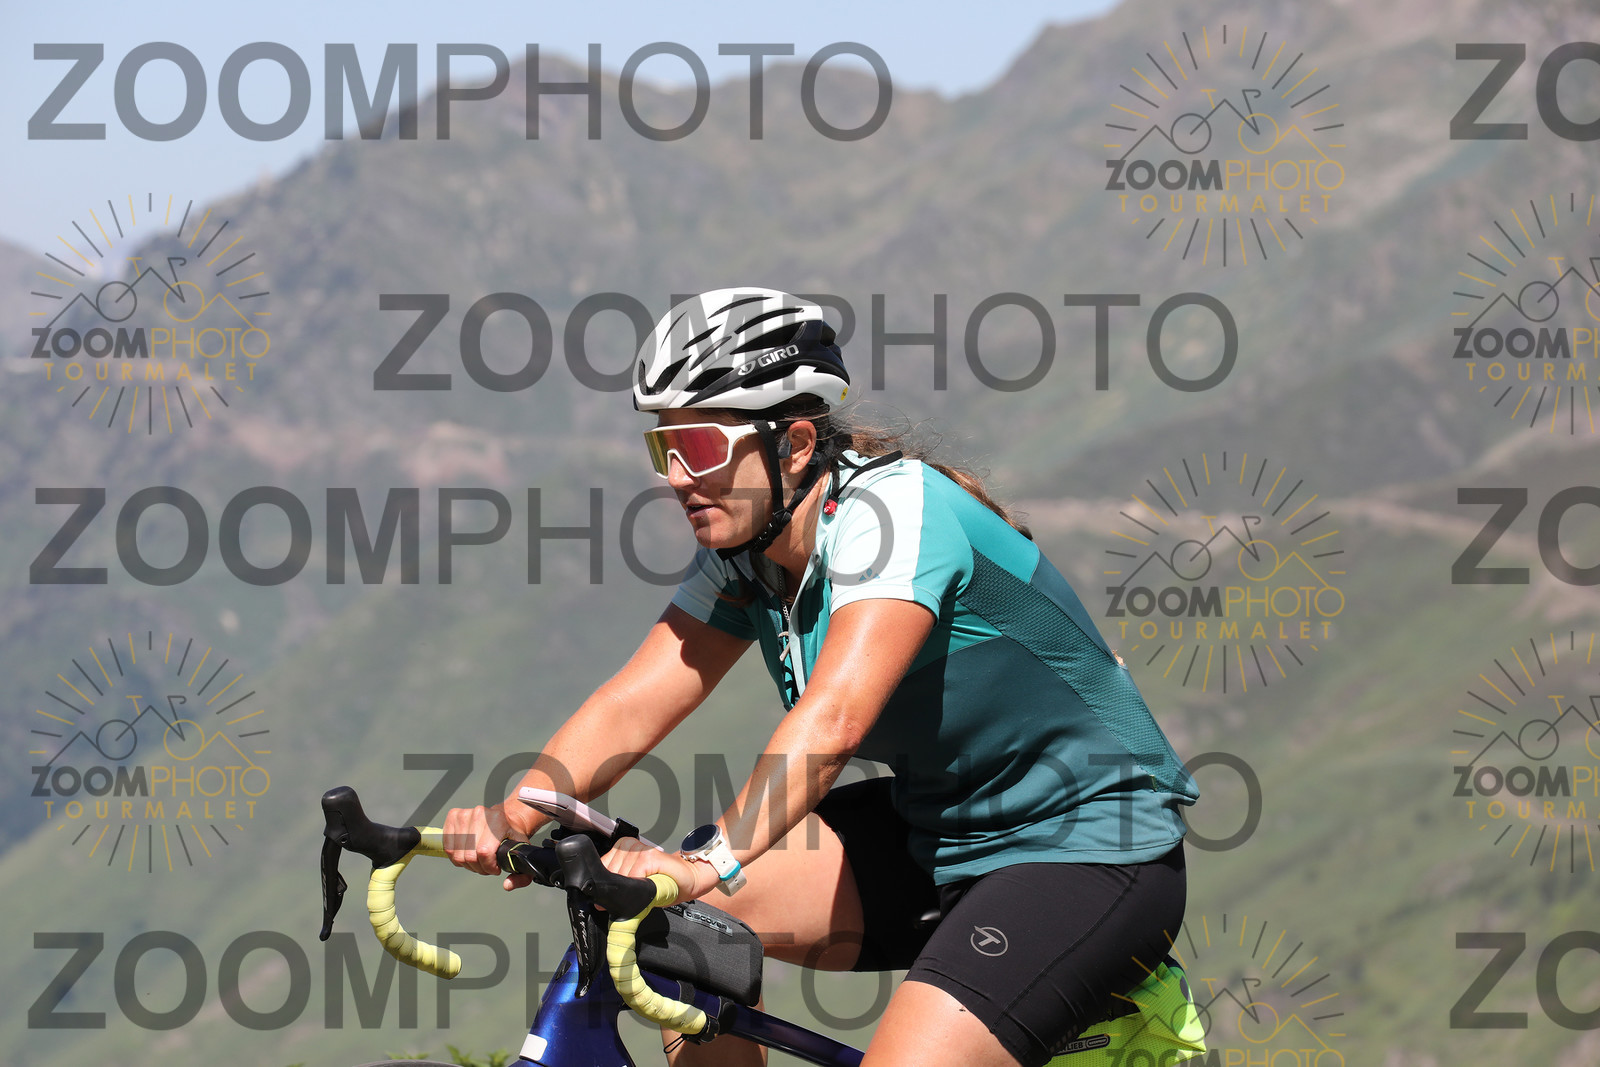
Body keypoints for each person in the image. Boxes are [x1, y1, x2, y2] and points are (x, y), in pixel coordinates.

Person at [445, 287, 1201, 1067]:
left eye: (699, 445)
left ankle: (1120, 1022)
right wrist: (517, 810)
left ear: (796, 444)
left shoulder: (895, 512)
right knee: (672, 930)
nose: (677, 475)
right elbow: (636, 698)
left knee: (706, 873)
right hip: (936, 832)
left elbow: (833, 718)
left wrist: (706, 864)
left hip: (1088, 846)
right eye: (663, 446)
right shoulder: (745, 551)